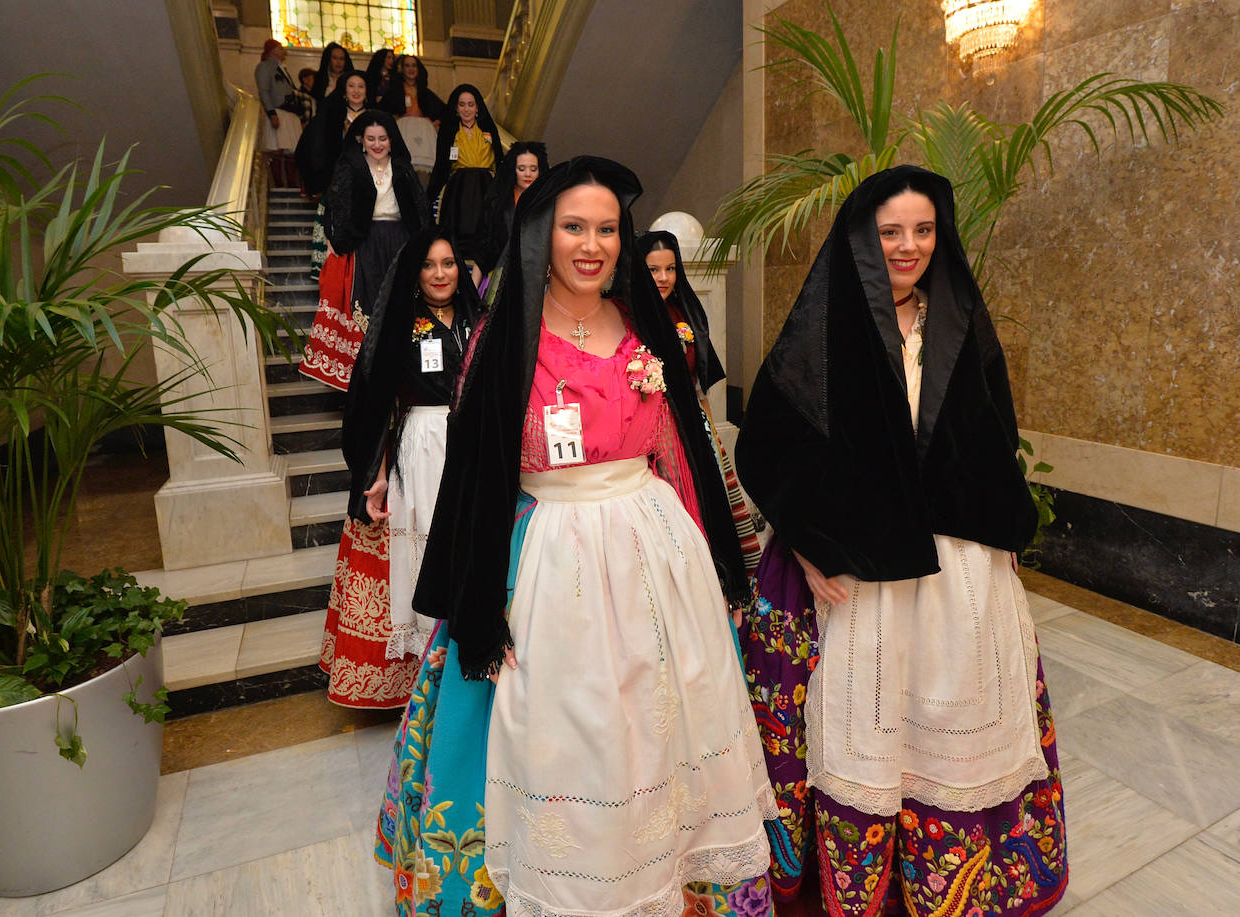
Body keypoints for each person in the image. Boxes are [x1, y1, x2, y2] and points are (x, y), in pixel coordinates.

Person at [377, 156, 778, 916]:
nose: (591, 245)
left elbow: (680, 450)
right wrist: (478, 607)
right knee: (575, 727)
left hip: (653, 547)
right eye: (573, 227)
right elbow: (478, 473)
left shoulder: (642, 321)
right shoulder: (506, 337)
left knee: (661, 715)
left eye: (604, 229)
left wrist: (716, 565)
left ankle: (670, 869)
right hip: (548, 553)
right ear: (541, 234)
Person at [734, 164, 1068, 916]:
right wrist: (809, 539)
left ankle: (954, 875)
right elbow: (767, 442)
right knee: (869, 727)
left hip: (958, 566)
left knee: (951, 714)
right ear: (862, 238)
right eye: (891, 232)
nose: (908, 245)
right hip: (859, 566)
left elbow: (992, 432)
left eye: (922, 230)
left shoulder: (956, 317)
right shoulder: (828, 325)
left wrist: (1002, 520)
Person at [319, 229, 484, 708]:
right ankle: (432, 671)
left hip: (471, 446)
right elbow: (379, 405)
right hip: (423, 445)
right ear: (415, 272)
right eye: (430, 265)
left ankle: (471, 655)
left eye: (449, 263)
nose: (440, 274)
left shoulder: (478, 319)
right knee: (428, 547)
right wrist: (378, 473)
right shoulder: (401, 324)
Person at [636, 230, 763, 572]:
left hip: (694, 424)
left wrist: (711, 430)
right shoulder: (626, 316)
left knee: (711, 501)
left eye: (670, 269)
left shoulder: (684, 312)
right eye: (653, 270)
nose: (663, 278)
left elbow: (697, 381)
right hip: (649, 435)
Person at [299, 111, 429, 391]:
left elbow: (418, 209)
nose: (377, 144)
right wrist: (336, 238)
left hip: (399, 243)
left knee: (402, 305)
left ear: (392, 141)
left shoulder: (403, 168)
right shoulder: (350, 167)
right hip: (364, 244)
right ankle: (366, 378)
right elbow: (334, 206)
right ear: (361, 140)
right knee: (365, 307)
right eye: (371, 138)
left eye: (383, 138)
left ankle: (402, 374)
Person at [295, 70, 370, 280]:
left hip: (369, 186)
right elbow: (315, 149)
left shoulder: (374, 117)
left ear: (367, 91)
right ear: (344, 90)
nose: (356, 91)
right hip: (337, 186)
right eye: (351, 86)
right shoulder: (332, 115)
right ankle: (334, 278)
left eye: (361, 86)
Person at [426, 85, 504, 260]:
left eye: (471, 104)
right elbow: (441, 165)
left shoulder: (489, 130)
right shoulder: (449, 132)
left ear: (477, 108)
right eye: (462, 104)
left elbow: (500, 160)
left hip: (486, 187)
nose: (466, 109)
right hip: (458, 190)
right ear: (456, 108)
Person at [474, 140, 547, 276]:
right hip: (497, 276)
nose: (527, 174)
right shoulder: (498, 204)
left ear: (540, 171)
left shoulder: (547, 205)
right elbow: (483, 251)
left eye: (533, 169)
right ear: (513, 170)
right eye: (521, 169)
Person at [255, 40, 303, 156]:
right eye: (280, 47)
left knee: (293, 151)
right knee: (277, 148)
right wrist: (272, 113)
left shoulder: (282, 68)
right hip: (279, 112)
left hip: (290, 112)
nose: (283, 51)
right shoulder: (264, 67)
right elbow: (264, 91)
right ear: (272, 50)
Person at [380, 54, 444, 123]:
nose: (411, 69)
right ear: (402, 69)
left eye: (414, 65)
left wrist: (436, 122)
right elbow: (382, 112)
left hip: (423, 129)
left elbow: (443, 111)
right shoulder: (394, 92)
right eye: (407, 66)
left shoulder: (425, 92)